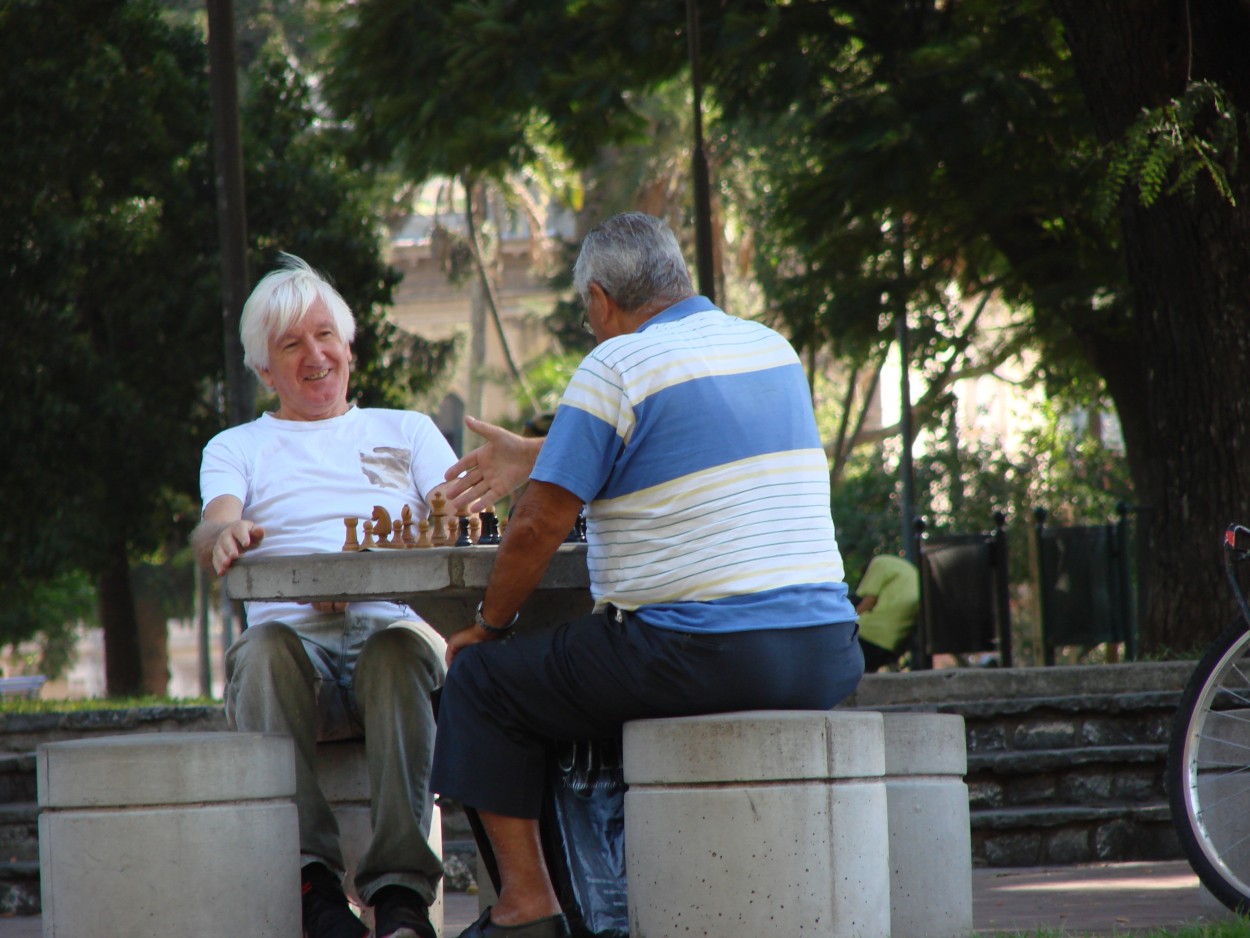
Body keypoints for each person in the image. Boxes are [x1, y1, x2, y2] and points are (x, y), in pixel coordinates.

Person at [431, 212, 864, 938]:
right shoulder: (771, 350)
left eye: (586, 312)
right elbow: (682, 431)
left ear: (600, 299)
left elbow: (536, 526)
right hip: (826, 651)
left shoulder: (615, 365)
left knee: (482, 680)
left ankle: (524, 910)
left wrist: (489, 625)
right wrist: (548, 447)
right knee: (578, 667)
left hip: (698, 656)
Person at [191, 254, 454, 938]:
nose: (315, 356)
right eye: (291, 345)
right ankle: (312, 887)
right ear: (263, 370)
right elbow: (214, 520)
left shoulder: (409, 431)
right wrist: (224, 533)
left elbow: (458, 527)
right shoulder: (237, 446)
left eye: (325, 335)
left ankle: (400, 895)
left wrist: (376, 565)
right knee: (261, 648)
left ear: (348, 344)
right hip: (294, 656)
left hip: (388, 638)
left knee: (402, 650)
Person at [854, 553, 921, 672]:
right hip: (893, 642)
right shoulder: (905, 568)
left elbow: (869, 601)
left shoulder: (878, 563)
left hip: (870, 634)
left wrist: (844, 622)